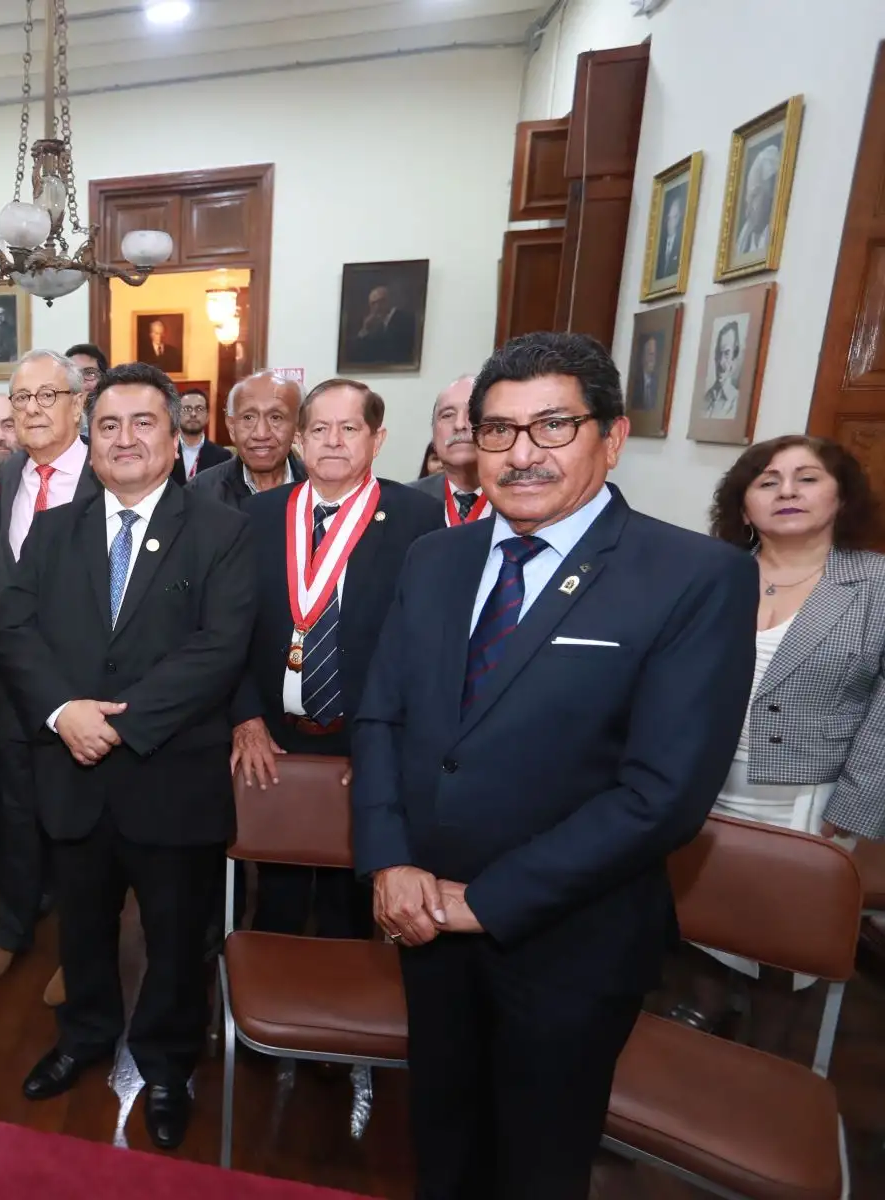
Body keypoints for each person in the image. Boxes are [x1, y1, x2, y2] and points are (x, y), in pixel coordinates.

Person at [352, 332, 756, 1199]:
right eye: (497, 431)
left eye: (553, 427)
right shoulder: (435, 558)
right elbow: (381, 716)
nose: (521, 454)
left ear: (612, 437)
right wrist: (389, 860)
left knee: (538, 1160)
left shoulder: (693, 577)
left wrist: (484, 902)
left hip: (571, 938)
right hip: (423, 920)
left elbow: (662, 796)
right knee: (443, 1134)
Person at [0, 362, 256, 1151]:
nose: (125, 439)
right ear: (89, 435)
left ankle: (168, 1062)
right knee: (81, 926)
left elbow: (221, 648)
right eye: (108, 425)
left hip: (169, 775)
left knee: (177, 936)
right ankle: (84, 1035)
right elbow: (15, 632)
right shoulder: (51, 530)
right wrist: (62, 712)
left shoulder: (222, 529)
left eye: (143, 422)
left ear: (176, 435)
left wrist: (118, 721)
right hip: (71, 774)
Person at [668, 436, 885, 1035]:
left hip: (809, 800)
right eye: (767, 481)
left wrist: (854, 805)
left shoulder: (874, 585)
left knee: (785, 952)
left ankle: (770, 1053)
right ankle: (703, 1012)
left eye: (807, 478)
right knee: (698, 916)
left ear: (841, 497)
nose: (787, 491)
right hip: (700, 785)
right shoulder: (711, 573)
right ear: (743, 507)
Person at [233, 379, 441, 938]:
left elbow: (423, 646)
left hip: (366, 740)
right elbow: (229, 631)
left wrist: (386, 742)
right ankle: (267, 1006)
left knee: (349, 906)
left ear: (378, 438)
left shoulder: (417, 520)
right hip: (274, 738)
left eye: (349, 428)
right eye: (319, 429)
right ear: (299, 440)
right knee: (274, 896)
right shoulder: (256, 517)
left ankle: (341, 1003)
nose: (333, 441)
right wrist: (245, 716)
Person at [0, 350, 102, 996]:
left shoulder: (110, 474)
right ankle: (13, 925)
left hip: (85, 686)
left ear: (79, 405)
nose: (33, 410)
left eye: (48, 396)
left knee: (78, 824)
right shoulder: (7, 472)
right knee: (16, 811)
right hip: (13, 682)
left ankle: (78, 952)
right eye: (21, 399)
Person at [190, 369, 306, 509]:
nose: (261, 434)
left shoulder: (319, 485)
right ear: (232, 427)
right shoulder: (199, 494)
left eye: (276, 417)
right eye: (248, 418)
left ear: (297, 426)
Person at [413, 376, 491, 527]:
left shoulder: (523, 498)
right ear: (434, 434)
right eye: (447, 415)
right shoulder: (405, 502)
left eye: (473, 413)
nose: (460, 424)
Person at [168, 388, 230, 484]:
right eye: (187, 409)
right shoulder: (165, 453)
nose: (193, 414)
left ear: (207, 416)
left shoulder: (223, 457)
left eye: (199, 409)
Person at [348, 284, 416, 366]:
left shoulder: (404, 319)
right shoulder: (376, 326)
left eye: (381, 301)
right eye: (373, 304)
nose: (377, 307)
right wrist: (365, 329)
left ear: (389, 301)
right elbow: (360, 352)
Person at [735, 143, 781, 258]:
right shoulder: (745, 235)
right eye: (748, 199)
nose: (748, 211)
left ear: (772, 194)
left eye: (754, 196)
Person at [702, 320, 743, 421]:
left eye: (726, 353)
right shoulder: (706, 397)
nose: (720, 362)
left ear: (734, 355)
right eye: (718, 353)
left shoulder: (736, 401)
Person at [627, 334, 663, 414]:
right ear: (643, 356)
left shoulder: (658, 383)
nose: (653, 360)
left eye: (654, 355)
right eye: (650, 354)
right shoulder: (633, 382)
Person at [656, 192, 686, 281]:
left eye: (675, 217)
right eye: (669, 217)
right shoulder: (659, 245)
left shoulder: (681, 246)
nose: (671, 223)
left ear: (681, 218)